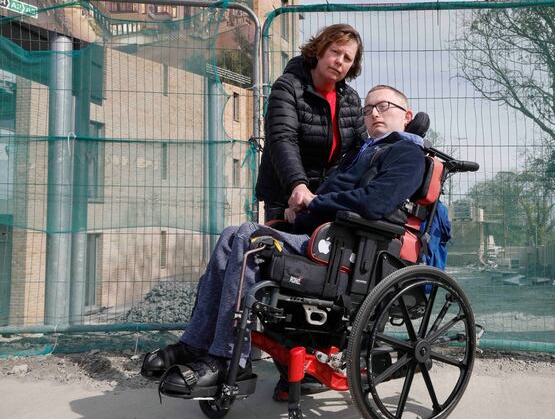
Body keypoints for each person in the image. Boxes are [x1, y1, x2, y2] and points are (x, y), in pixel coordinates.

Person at [141, 85, 425, 397]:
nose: (372, 113)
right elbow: (335, 198)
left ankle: (227, 358)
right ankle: (194, 344)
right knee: (230, 235)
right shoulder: (362, 153)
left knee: (249, 237)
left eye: (383, 106)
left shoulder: (407, 154)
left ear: (406, 116)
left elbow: (375, 203)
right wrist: (298, 209)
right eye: (368, 108)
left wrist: (314, 203)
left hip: (346, 254)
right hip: (321, 240)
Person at [256, 23, 367, 221]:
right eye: (335, 52)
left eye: (347, 58)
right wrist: (297, 186)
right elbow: (282, 138)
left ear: (352, 66)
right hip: (286, 197)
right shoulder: (288, 86)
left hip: (327, 200)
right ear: (319, 51)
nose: (339, 61)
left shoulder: (351, 99)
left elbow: (360, 151)